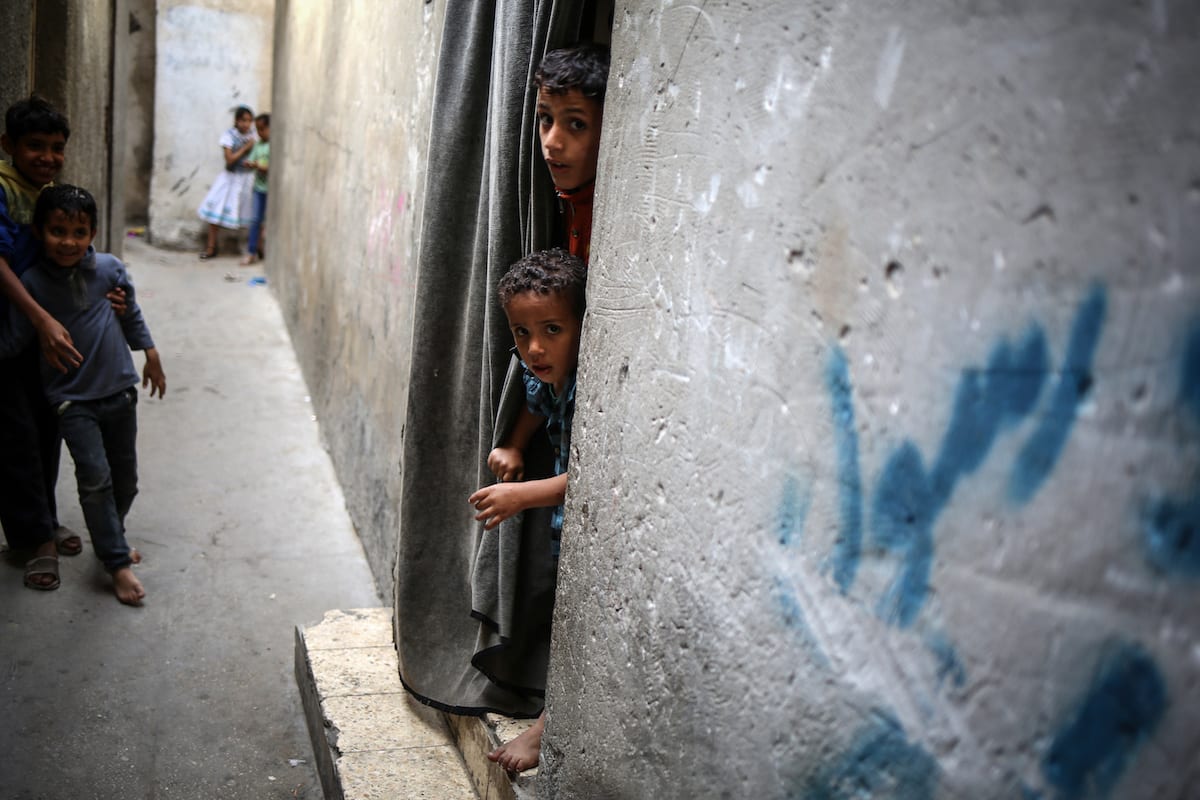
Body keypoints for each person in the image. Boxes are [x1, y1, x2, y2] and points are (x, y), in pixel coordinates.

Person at [476, 43, 608, 773]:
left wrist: (523, 488)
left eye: (576, 124)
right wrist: (519, 445)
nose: (553, 142)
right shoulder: (563, 206)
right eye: (544, 120)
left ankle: (548, 725)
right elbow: (530, 394)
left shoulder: (613, 209)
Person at [0, 185, 165, 604]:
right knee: (95, 482)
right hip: (72, 402)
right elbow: (16, 340)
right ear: (39, 232)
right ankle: (116, 563)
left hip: (121, 394)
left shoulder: (110, 270)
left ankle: (113, 536)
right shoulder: (33, 283)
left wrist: (150, 353)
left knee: (125, 482)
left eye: (79, 231)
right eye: (58, 231)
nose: (69, 241)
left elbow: (131, 313)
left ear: (92, 232)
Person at [0, 94, 89, 587]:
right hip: (9, 337)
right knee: (15, 438)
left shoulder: (54, 195)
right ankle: (36, 540)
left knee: (46, 429)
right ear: (8, 145)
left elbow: (78, 252)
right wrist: (38, 318)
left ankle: (43, 520)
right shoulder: (1, 188)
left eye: (56, 147)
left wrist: (110, 299)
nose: (47, 157)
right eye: (35, 146)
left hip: (44, 340)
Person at [197, 105, 256, 259]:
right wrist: (245, 148)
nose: (246, 124)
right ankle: (211, 247)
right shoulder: (229, 136)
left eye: (249, 121)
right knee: (215, 213)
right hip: (229, 179)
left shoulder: (253, 136)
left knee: (249, 215)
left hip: (246, 179)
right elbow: (229, 159)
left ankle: (250, 249)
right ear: (236, 121)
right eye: (243, 120)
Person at [240, 113, 270, 266]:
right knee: (255, 220)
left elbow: (270, 168)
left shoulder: (273, 146)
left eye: (263, 129)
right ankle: (252, 252)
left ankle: (263, 250)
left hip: (271, 190)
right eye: (258, 130)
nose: (260, 133)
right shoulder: (258, 145)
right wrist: (250, 163)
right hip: (259, 188)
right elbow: (252, 159)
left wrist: (258, 165)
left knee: (267, 223)